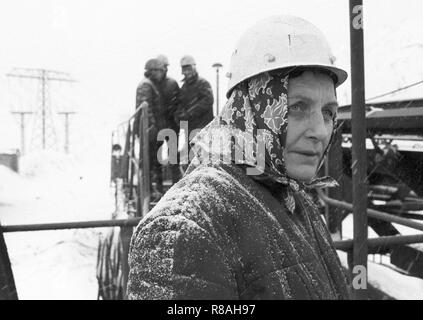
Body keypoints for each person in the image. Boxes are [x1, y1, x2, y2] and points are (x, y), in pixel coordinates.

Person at [127, 15, 351, 300]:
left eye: (328, 112)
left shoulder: (295, 197)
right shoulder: (187, 224)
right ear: (248, 109)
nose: (320, 130)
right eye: (296, 107)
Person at [134, 58, 167, 200]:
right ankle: (148, 194)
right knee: (149, 162)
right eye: (160, 70)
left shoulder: (150, 84)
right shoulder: (146, 86)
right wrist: (153, 127)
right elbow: (146, 109)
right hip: (149, 132)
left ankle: (154, 191)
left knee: (154, 161)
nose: (162, 73)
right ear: (152, 71)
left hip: (152, 131)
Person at [176, 55, 214, 166]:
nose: (187, 72)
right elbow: (180, 104)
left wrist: (189, 113)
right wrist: (178, 115)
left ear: (194, 68)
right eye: (184, 69)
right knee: (192, 159)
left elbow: (208, 101)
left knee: (203, 158)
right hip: (190, 129)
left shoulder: (203, 83)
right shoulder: (184, 88)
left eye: (189, 68)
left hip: (203, 128)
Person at [156, 54, 182, 184]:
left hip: (171, 123)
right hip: (157, 124)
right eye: (162, 66)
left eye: (165, 66)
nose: (164, 68)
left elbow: (179, 102)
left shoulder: (172, 83)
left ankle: (175, 183)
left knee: (173, 155)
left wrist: (176, 116)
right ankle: (158, 184)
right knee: (156, 155)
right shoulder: (152, 84)